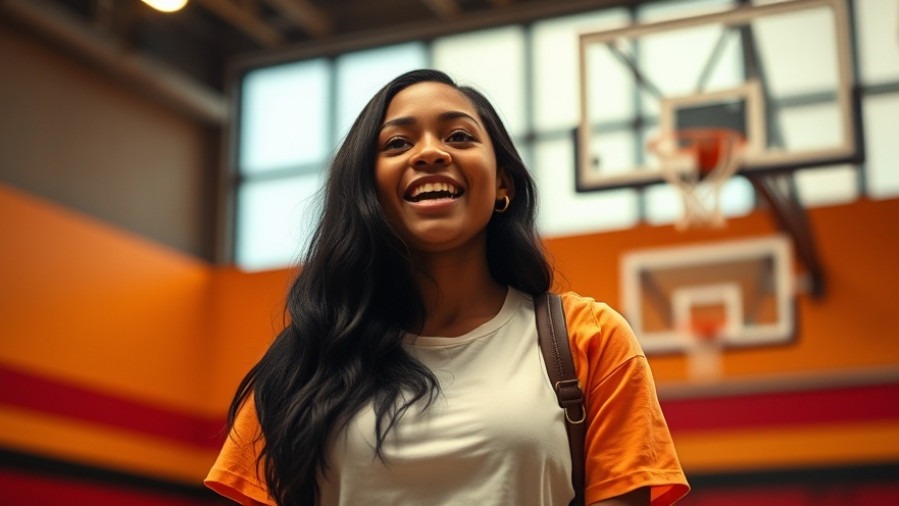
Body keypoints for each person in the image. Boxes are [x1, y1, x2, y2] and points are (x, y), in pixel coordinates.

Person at [205, 69, 689, 506]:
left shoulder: (590, 339)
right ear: (367, 190)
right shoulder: (307, 356)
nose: (432, 152)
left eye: (459, 136)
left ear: (503, 184)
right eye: (396, 144)